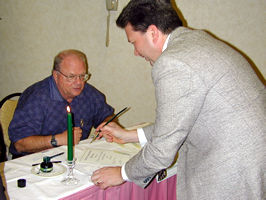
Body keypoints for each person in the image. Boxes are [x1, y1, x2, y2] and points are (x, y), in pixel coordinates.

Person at [91, 1, 265, 199]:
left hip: (231, 169)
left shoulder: (173, 63)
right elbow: (180, 123)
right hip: (252, 159)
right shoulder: (198, 40)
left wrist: (122, 173)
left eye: (133, 43)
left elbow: (162, 152)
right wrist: (129, 135)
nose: (136, 52)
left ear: (153, 33)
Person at [9, 49, 114, 158]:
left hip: (74, 157)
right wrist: (57, 140)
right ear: (56, 75)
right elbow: (20, 144)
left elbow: (107, 116)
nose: (78, 82)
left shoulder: (88, 93)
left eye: (82, 76)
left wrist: (108, 127)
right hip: (34, 162)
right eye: (71, 77)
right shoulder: (36, 98)